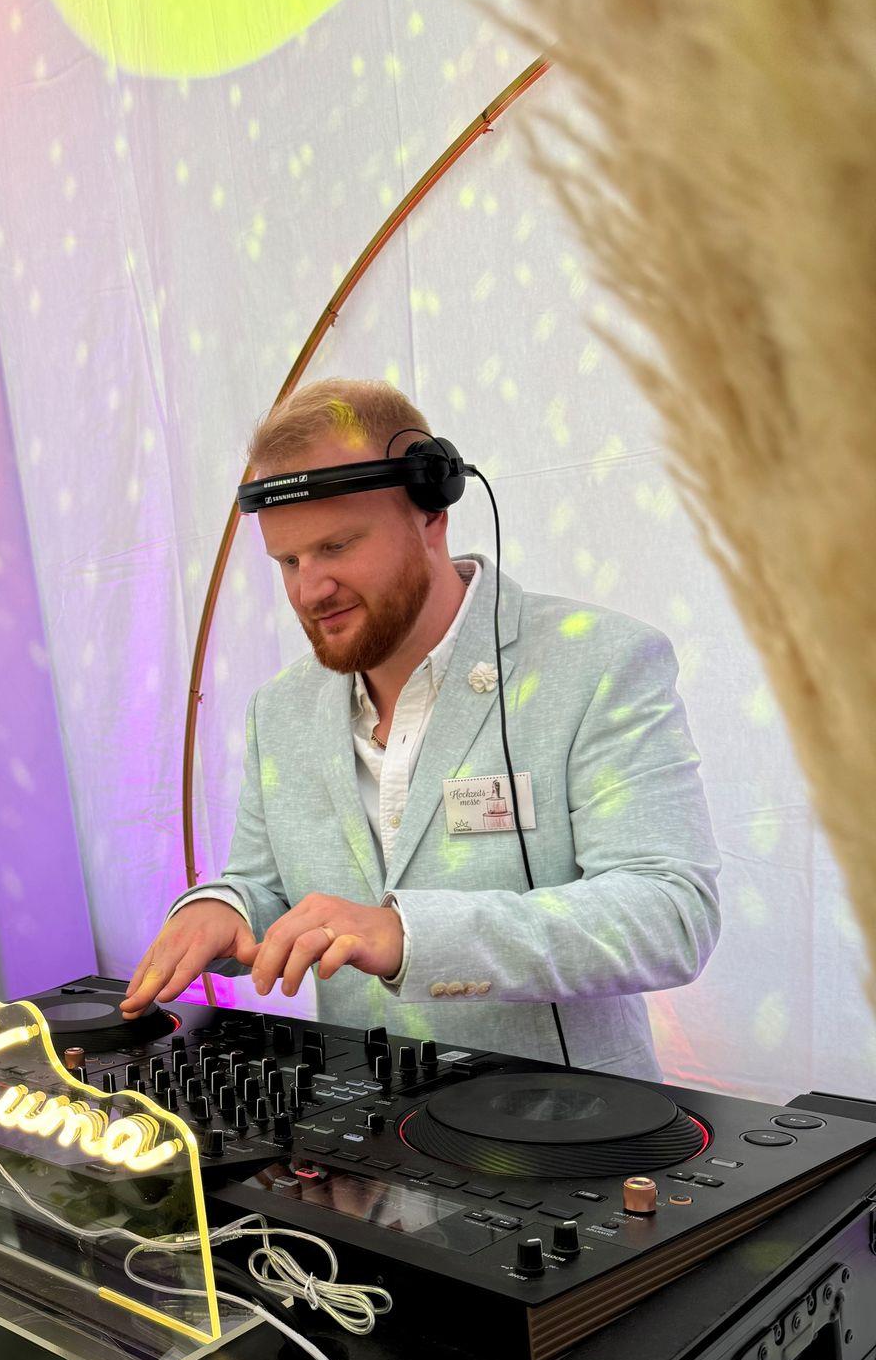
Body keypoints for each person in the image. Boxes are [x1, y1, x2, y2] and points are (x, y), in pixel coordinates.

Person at [120, 379, 720, 1078]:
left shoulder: (599, 663)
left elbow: (669, 915)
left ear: (431, 513)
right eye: (288, 561)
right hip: (360, 1153)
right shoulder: (278, 710)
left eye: (337, 546)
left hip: (564, 1143)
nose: (309, 590)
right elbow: (269, 889)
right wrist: (224, 907)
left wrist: (409, 933)